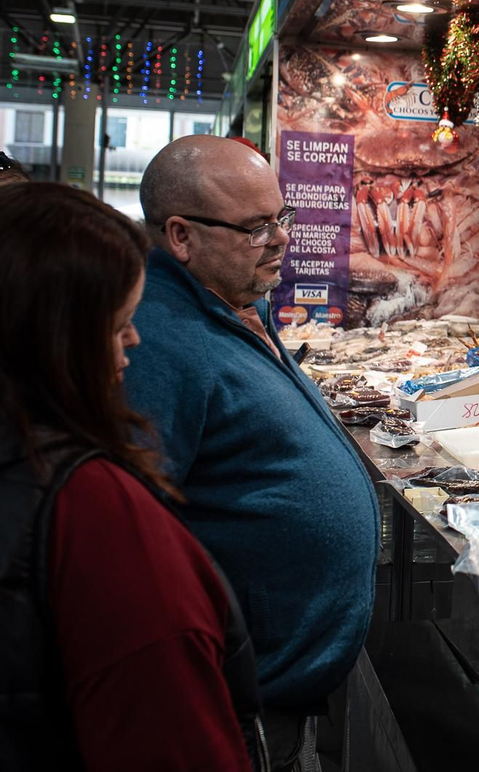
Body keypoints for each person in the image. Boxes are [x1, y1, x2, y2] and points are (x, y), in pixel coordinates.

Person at [121, 136, 380, 770]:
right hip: (232, 706)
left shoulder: (230, 301)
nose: (282, 238)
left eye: (282, 217)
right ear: (181, 236)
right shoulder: (153, 346)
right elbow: (132, 545)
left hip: (274, 693)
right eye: (256, 227)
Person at [0, 182, 265, 770]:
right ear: (53, 337)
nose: (134, 339)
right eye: (118, 321)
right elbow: (171, 733)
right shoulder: (93, 507)